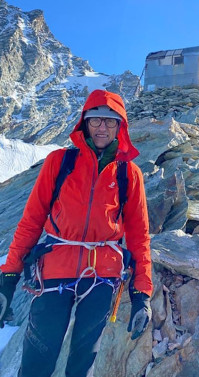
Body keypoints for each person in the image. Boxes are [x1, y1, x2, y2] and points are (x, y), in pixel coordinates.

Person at [0, 89, 153, 377]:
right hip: (55, 269)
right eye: (95, 120)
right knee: (37, 358)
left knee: (82, 363)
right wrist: (9, 276)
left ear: (121, 126)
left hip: (103, 275)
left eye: (111, 121)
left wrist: (141, 294)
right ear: (84, 123)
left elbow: (139, 236)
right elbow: (31, 221)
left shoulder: (128, 173)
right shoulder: (59, 162)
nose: (102, 128)